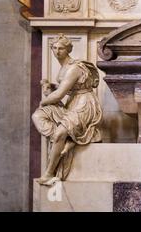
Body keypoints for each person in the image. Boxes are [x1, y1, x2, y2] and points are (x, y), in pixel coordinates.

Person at [32, 34, 102, 185]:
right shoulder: (64, 67)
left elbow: (59, 95)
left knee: (59, 131)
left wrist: (43, 101)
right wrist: (52, 86)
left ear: (68, 49)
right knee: (37, 116)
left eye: (61, 48)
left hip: (84, 104)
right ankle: (67, 140)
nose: (57, 51)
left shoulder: (74, 68)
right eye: (55, 48)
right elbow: (67, 88)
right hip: (72, 103)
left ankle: (49, 173)